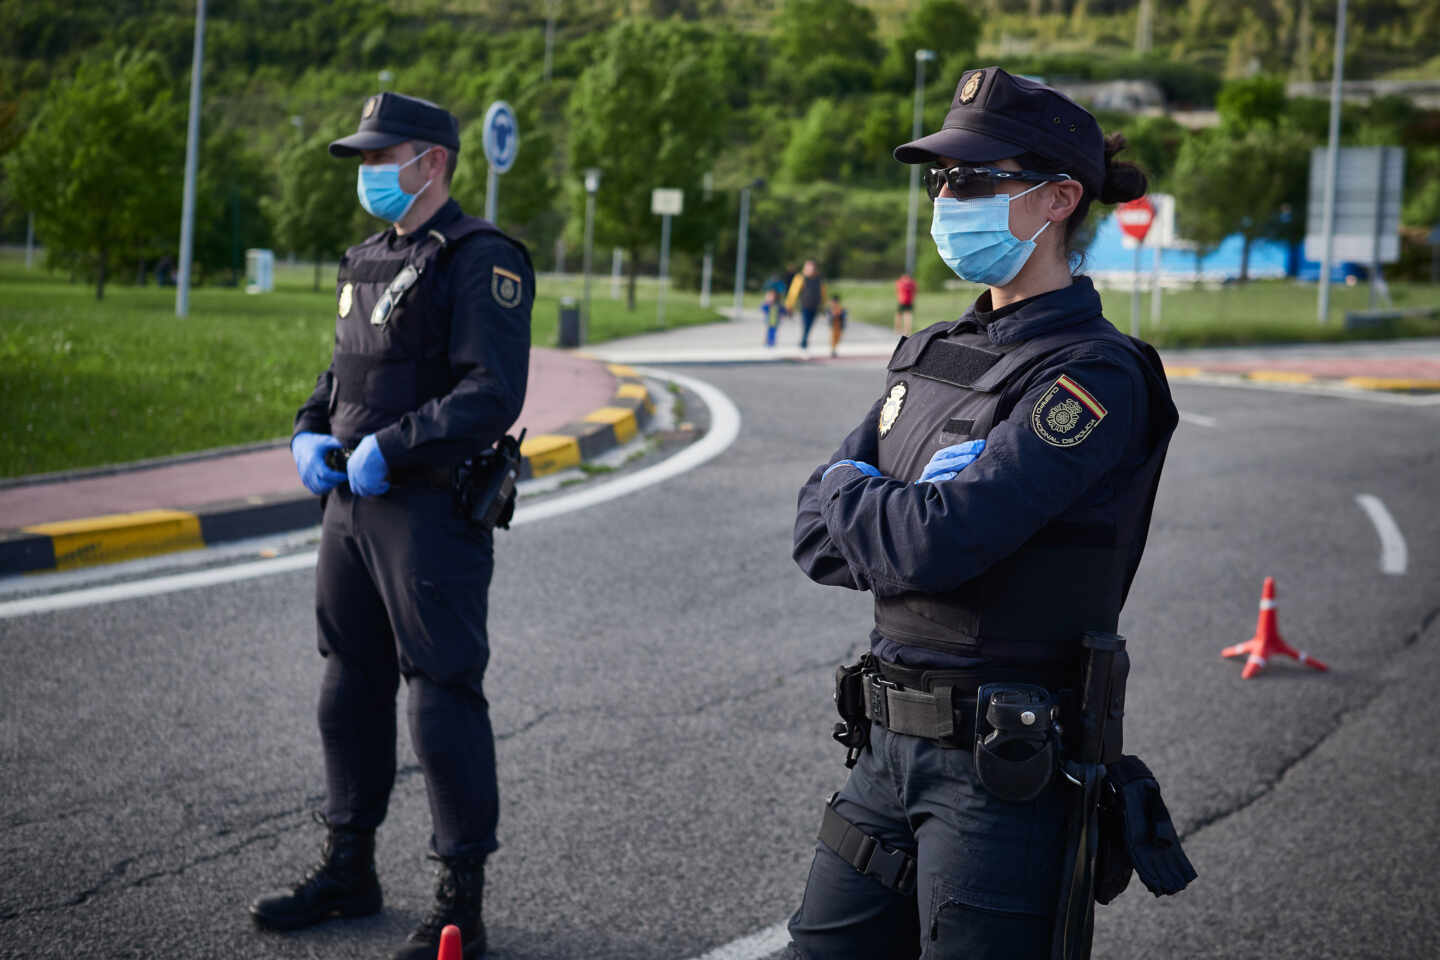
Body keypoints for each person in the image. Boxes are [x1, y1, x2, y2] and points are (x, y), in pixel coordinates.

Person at [784, 66, 1188, 959]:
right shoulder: (932, 353)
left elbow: (938, 541)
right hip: (881, 746)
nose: (946, 198)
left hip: (999, 770)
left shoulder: (1092, 374)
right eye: (940, 179)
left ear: (1057, 199)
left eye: (974, 179)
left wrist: (873, 497)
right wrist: (888, 505)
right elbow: (813, 529)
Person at [249, 92, 534, 960]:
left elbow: (492, 392)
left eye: (385, 157)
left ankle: (460, 906)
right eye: (365, 160)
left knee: (442, 693)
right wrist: (306, 428)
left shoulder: (481, 259)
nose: (371, 173)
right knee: (350, 683)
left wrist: (394, 447)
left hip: (427, 511)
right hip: (349, 505)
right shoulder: (366, 257)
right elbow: (343, 371)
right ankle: (348, 867)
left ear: (434, 162)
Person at [785, 260, 827, 350]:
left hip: (815, 305)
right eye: (808, 267)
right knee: (806, 323)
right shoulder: (800, 278)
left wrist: (823, 305)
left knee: (810, 323)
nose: (811, 270)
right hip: (805, 304)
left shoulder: (818, 279)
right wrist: (789, 305)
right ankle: (804, 341)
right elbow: (793, 292)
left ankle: (804, 339)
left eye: (812, 268)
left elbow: (823, 292)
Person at [825, 292, 847, 358]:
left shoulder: (840, 308)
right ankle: (833, 350)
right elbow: (828, 316)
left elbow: (843, 316)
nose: (834, 302)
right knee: (833, 338)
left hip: (839, 325)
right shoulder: (830, 308)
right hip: (833, 325)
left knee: (837, 338)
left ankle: (834, 349)